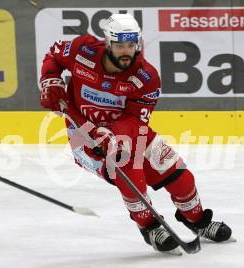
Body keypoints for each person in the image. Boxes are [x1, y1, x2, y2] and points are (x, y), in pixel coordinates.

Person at [39, 13, 232, 254]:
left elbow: (136, 119)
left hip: (130, 133)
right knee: (131, 177)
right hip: (84, 138)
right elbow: (54, 56)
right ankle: (150, 228)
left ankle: (197, 221)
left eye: (131, 45)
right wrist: (50, 81)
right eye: (120, 46)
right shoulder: (83, 50)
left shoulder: (145, 77)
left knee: (182, 178)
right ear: (108, 43)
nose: (126, 52)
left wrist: (111, 134)